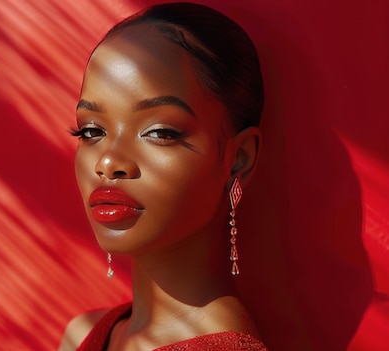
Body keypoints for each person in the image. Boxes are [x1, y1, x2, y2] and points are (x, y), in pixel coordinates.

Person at [59, 2, 268, 350]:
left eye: (160, 131)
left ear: (239, 158)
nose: (108, 161)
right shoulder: (84, 333)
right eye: (91, 131)